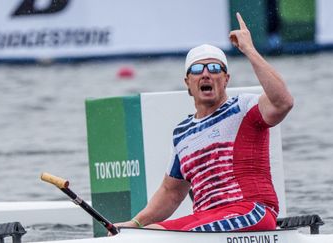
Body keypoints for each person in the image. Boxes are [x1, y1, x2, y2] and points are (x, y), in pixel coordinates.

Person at [113, 12, 293, 232]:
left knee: (163, 236)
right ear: (188, 83)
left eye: (215, 68)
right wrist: (135, 225)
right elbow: (171, 193)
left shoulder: (245, 107)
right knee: (152, 232)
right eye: (198, 69)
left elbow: (283, 102)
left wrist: (249, 49)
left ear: (226, 80)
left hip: (251, 211)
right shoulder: (182, 133)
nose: (206, 74)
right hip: (205, 218)